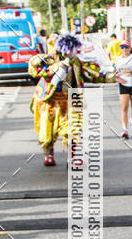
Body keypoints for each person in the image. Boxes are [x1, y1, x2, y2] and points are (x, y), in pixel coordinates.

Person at [28, 33, 114, 166]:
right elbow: (34, 68)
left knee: (73, 130)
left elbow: (93, 74)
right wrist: (57, 66)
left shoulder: (76, 62)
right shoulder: (50, 59)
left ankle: (73, 157)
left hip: (70, 100)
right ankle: (48, 153)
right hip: (49, 101)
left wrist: (113, 77)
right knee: (47, 132)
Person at [115, 40, 132, 139]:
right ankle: (125, 130)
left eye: (126, 47)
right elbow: (115, 73)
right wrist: (117, 77)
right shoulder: (118, 59)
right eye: (122, 47)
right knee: (124, 108)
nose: (124, 49)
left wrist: (130, 71)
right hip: (123, 85)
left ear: (130, 48)